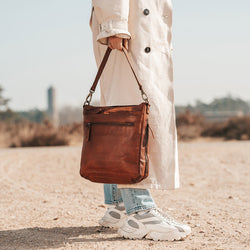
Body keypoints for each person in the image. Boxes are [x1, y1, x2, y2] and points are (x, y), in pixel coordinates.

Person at [89, 0, 191, 241]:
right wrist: (114, 24)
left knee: (122, 111)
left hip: (135, 25)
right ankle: (140, 212)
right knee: (132, 119)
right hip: (129, 28)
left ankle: (119, 204)